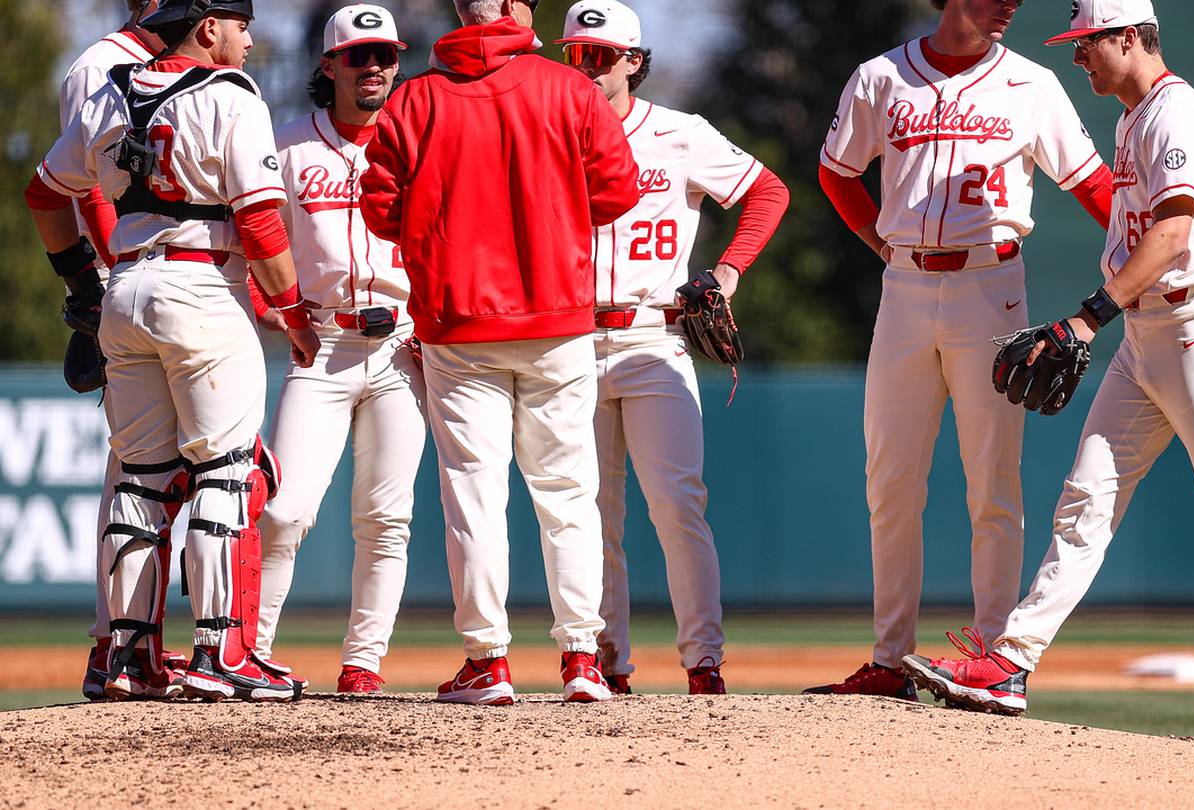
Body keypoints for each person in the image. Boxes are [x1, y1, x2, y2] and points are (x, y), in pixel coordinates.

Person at [901, 0, 1194, 752]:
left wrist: (1087, 317)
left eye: (1087, 44)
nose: (1079, 59)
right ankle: (1008, 663)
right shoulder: (1132, 120)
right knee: (1086, 501)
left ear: (1129, 37)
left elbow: (1175, 234)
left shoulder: (1179, 115)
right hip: (1152, 334)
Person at [806, 0, 1113, 699]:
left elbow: (1094, 183)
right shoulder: (881, 77)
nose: (1008, 5)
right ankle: (890, 660)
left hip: (991, 284)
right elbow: (836, 171)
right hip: (905, 284)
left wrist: (1148, 259)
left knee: (993, 484)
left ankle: (989, 657)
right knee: (889, 483)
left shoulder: (1031, 83)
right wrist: (881, 245)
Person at [24, 0, 320, 702]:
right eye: (240, 24)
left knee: (143, 480)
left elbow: (43, 193)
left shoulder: (109, 91)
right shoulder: (229, 95)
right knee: (226, 472)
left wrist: (80, 285)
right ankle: (223, 654)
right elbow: (257, 221)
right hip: (200, 289)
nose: (250, 39)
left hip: (125, 290)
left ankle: (126, 661)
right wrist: (292, 312)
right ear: (208, 27)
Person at [361, 0, 640, 705]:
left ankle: (488, 661)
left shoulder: (414, 98)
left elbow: (379, 208)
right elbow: (617, 192)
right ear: (520, 8)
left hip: (458, 324)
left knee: (475, 496)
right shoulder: (571, 89)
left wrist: (441, 224)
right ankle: (583, 657)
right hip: (558, 318)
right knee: (569, 491)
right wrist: (550, 208)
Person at [555, 0, 790, 696]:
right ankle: (603, 662)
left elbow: (767, 192)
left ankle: (703, 662)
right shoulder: (546, 135)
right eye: (575, 54)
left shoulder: (680, 133)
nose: (587, 67)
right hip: (568, 340)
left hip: (655, 336)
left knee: (677, 503)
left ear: (633, 60)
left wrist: (726, 272)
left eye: (600, 55)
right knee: (589, 511)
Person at [251, 4, 424, 695]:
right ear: (330, 65)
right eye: (359, 55)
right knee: (283, 511)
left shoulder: (421, 141)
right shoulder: (289, 145)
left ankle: (363, 665)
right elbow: (252, 253)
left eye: (385, 54)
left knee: (387, 516)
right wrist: (277, 315)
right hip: (320, 345)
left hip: (403, 346)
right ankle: (249, 651)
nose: (375, 66)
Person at [60, 0, 190, 703]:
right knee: (136, 474)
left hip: (155, 282)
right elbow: (81, 184)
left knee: (156, 473)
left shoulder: (149, 65)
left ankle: (136, 645)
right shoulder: (103, 66)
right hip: (132, 282)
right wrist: (103, 281)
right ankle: (118, 643)